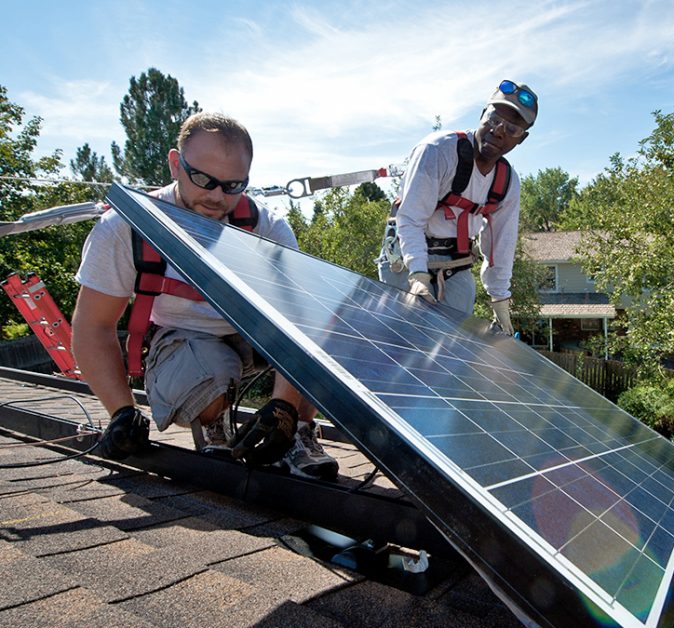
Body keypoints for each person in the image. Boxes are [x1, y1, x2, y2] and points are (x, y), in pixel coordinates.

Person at [72, 112, 339, 480]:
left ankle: (298, 434)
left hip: (259, 338)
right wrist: (121, 411)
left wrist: (284, 408)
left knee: (336, 327)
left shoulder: (267, 228)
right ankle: (215, 422)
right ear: (174, 164)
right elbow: (93, 327)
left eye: (232, 185)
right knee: (210, 368)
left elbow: (304, 320)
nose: (217, 197)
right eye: (203, 180)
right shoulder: (124, 229)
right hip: (185, 341)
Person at [378, 80, 538, 334]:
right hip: (408, 256)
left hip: (456, 265)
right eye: (494, 119)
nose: (498, 131)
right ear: (482, 114)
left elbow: (502, 246)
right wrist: (418, 274)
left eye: (511, 129)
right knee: (405, 340)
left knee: (450, 347)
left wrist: (500, 299)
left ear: (522, 139)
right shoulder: (438, 151)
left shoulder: (507, 182)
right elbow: (411, 219)